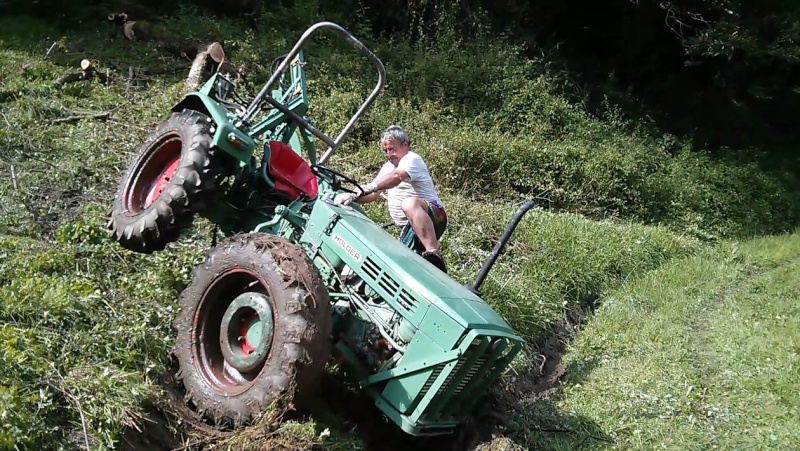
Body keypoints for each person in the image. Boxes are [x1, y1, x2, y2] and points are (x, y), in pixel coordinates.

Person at [333, 125, 448, 273]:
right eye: (386, 151)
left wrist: (371, 186)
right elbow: (373, 194)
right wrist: (352, 196)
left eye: (392, 149)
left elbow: (396, 178)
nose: (389, 154)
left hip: (434, 215)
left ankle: (433, 252)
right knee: (404, 267)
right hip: (409, 228)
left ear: (405, 145)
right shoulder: (388, 166)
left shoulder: (411, 159)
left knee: (409, 204)